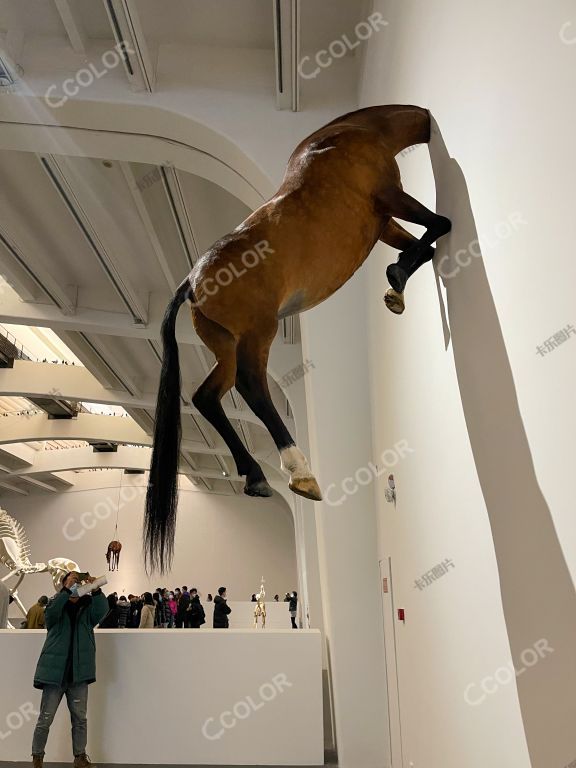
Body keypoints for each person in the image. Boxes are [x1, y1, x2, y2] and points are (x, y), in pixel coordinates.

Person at [31, 572, 107, 768]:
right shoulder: (55, 605)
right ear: (63, 585)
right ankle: (37, 758)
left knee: (80, 719)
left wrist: (96, 589)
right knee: (45, 719)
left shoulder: (88, 608)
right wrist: (66, 589)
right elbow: (50, 614)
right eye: (70, 581)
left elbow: (102, 611)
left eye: (76, 582)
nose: (74, 585)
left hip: (79, 675)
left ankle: (80, 757)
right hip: (54, 674)